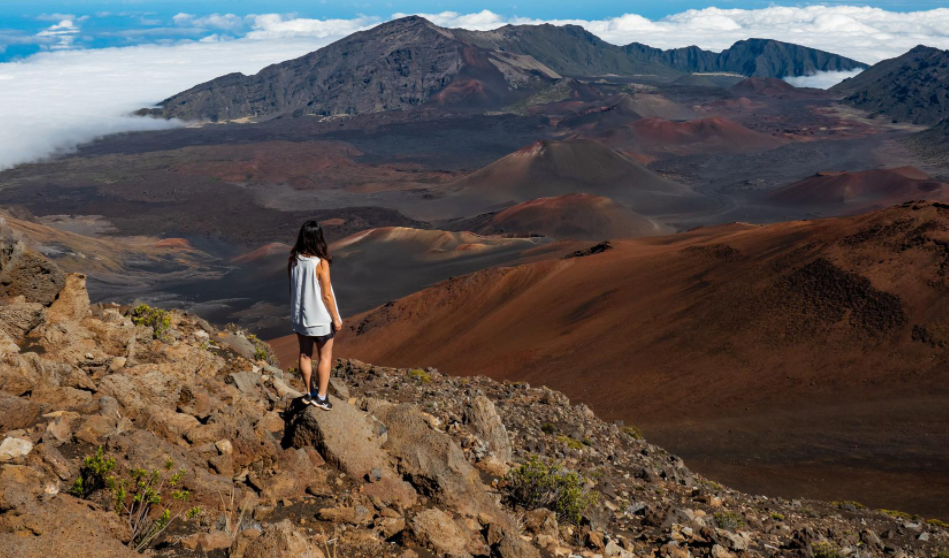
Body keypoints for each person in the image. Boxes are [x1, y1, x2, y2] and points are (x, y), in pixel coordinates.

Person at [288, 220, 342, 411]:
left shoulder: (294, 259)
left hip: (300, 317)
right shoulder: (320, 263)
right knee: (325, 357)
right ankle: (321, 397)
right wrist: (336, 318)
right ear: (319, 238)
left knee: (304, 355)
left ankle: (310, 392)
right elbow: (326, 295)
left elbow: (292, 289)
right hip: (319, 318)